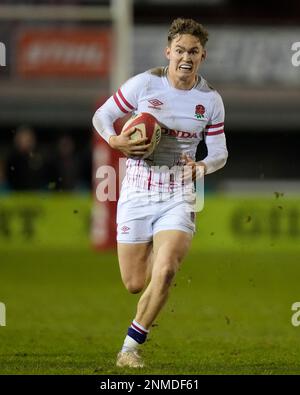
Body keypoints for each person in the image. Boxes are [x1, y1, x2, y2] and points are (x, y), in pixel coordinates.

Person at [92, 18, 228, 368]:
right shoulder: (144, 85)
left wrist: (202, 167)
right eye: (180, 50)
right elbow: (103, 115)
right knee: (135, 284)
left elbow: (219, 152)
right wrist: (115, 139)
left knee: (165, 271)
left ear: (202, 56)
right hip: (137, 189)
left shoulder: (210, 100)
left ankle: (129, 348)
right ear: (168, 52)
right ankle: (155, 247)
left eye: (193, 52)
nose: (186, 57)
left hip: (180, 192)